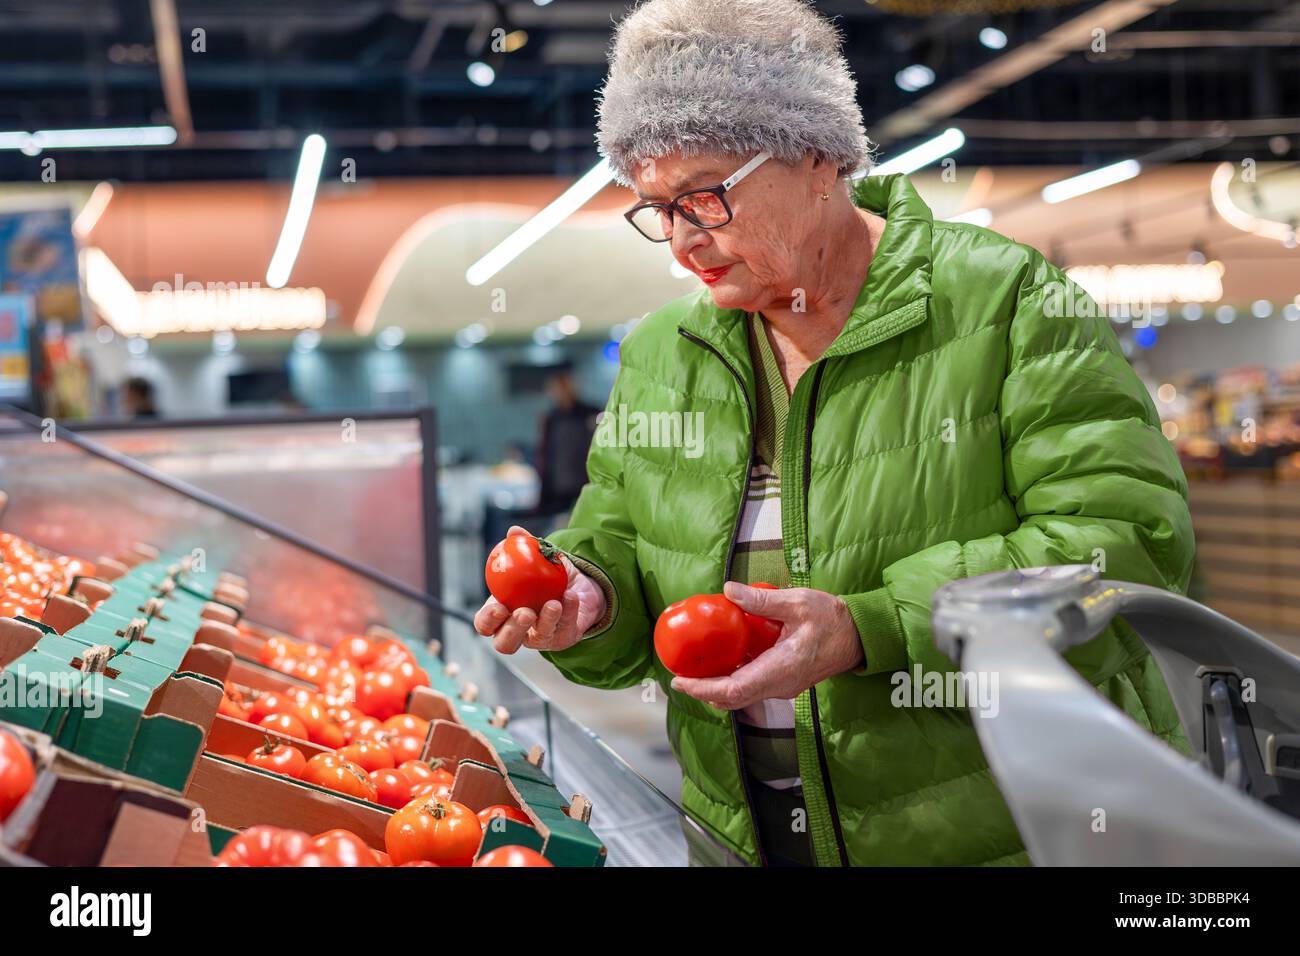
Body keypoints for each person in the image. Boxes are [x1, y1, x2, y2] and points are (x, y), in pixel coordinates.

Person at [475, 0, 1194, 867]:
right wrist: (589, 601)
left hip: (1005, 828)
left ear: (817, 155)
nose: (682, 243)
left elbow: (1124, 543)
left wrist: (875, 626)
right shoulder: (666, 351)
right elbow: (625, 538)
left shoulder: (1004, 300)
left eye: (704, 197)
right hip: (745, 832)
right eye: (657, 209)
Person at [534, 370, 600, 519]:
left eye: (562, 388)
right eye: (554, 389)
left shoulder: (591, 414)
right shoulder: (550, 419)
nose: (559, 393)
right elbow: (545, 455)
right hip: (558, 492)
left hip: (586, 486)